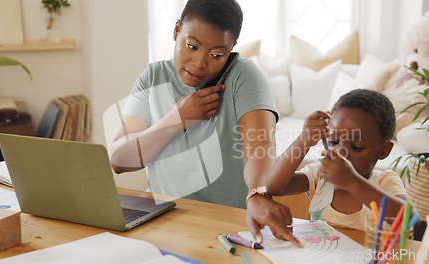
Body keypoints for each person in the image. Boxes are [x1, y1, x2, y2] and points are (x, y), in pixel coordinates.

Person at [109, 0, 301, 246]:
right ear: (177, 30)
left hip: (228, 226)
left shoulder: (245, 76)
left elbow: (261, 146)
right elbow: (119, 160)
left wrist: (258, 192)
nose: (200, 63)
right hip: (164, 222)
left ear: (231, 48)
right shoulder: (153, 76)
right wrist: (175, 120)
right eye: (192, 46)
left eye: (216, 54)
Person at [260, 89, 416, 245]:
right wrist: (303, 141)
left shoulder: (384, 181)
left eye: (357, 147)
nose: (341, 151)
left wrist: (353, 182)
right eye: (334, 141)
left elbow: (411, 220)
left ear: (383, 150)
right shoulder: (320, 174)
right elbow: (274, 187)